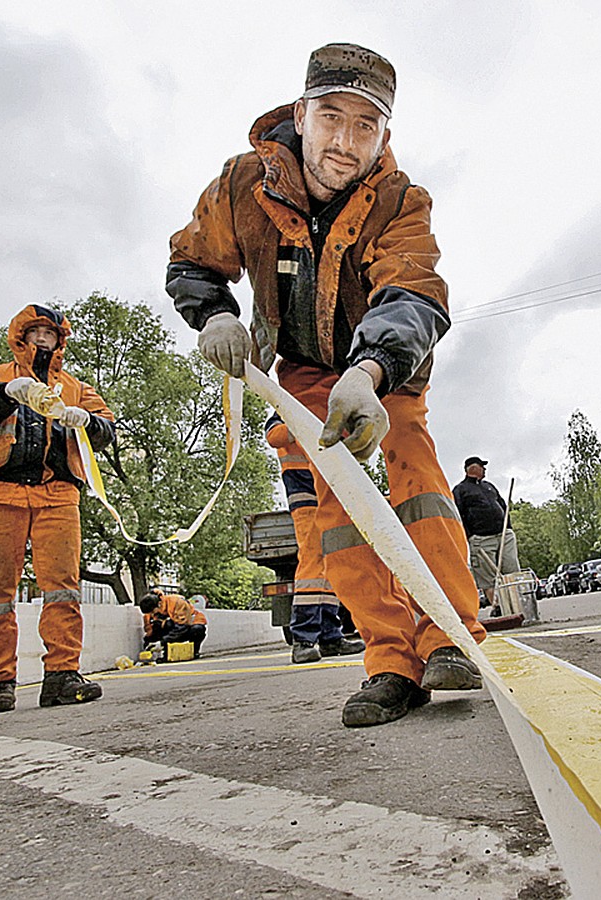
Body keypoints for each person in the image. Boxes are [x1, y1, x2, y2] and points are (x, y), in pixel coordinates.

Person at [166, 42, 486, 727]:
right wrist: (217, 316)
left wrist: (369, 373)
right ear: (302, 113)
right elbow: (192, 262)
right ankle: (391, 662)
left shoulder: (401, 200)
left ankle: (449, 637)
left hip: (385, 373)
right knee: (337, 514)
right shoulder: (241, 186)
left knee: (416, 476)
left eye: (365, 126)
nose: (345, 142)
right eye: (332, 118)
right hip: (307, 372)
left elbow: (413, 293)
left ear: (385, 137)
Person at [0, 305, 116, 714]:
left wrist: (87, 422)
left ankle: (62, 675)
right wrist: (7, 392)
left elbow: (107, 429)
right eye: (36, 331)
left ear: (61, 340)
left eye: (50, 332)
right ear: (20, 337)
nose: (43, 338)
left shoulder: (76, 388)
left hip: (57, 494)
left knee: (63, 588)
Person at [265, 412, 366, 664]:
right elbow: (274, 437)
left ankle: (331, 638)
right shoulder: (284, 410)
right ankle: (304, 639)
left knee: (331, 563)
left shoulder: (328, 411)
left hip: (329, 489)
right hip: (305, 493)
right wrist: (307, 425)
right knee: (312, 561)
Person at [452, 457, 520, 608]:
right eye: (482, 467)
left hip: (503, 535)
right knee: (487, 577)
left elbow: (502, 505)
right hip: (481, 539)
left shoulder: (489, 486)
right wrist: (469, 536)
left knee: (511, 571)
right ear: (474, 468)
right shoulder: (460, 490)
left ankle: (517, 606)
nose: (485, 470)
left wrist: (508, 527)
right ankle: (499, 607)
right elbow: (457, 514)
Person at [138, 588, 207, 658]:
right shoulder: (150, 611)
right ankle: (166, 655)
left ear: (159, 604)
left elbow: (182, 626)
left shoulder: (178, 602)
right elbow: (150, 632)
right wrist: (148, 645)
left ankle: (194, 652)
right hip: (174, 627)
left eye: (153, 612)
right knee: (158, 625)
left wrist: (162, 643)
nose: (152, 615)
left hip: (188, 626)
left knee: (197, 629)